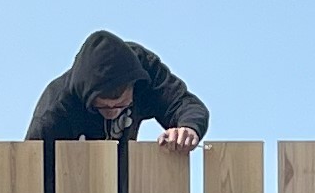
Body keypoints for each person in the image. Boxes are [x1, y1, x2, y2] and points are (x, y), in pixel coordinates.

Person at [25, 31, 209, 147]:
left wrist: (188, 128)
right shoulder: (55, 111)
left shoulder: (145, 72)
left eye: (122, 106)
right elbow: (31, 171)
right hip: (71, 191)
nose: (113, 113)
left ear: (134, 87)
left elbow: (183, 103)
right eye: (104, 107)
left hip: (125, 186)